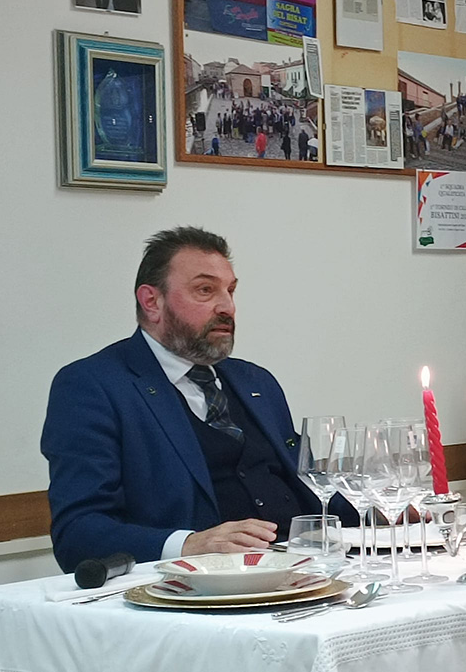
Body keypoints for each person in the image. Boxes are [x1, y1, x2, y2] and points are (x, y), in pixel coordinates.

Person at [41, 227, 358, 573]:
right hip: (201, 586)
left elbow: (311, 487)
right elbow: (78, 534)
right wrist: (189, 545)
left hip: (306, 568)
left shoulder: (256, 382)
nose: (227, 307)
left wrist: (382, 509)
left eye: (230, 291)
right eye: (205, 290)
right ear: (152, 302)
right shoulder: (93, 385)